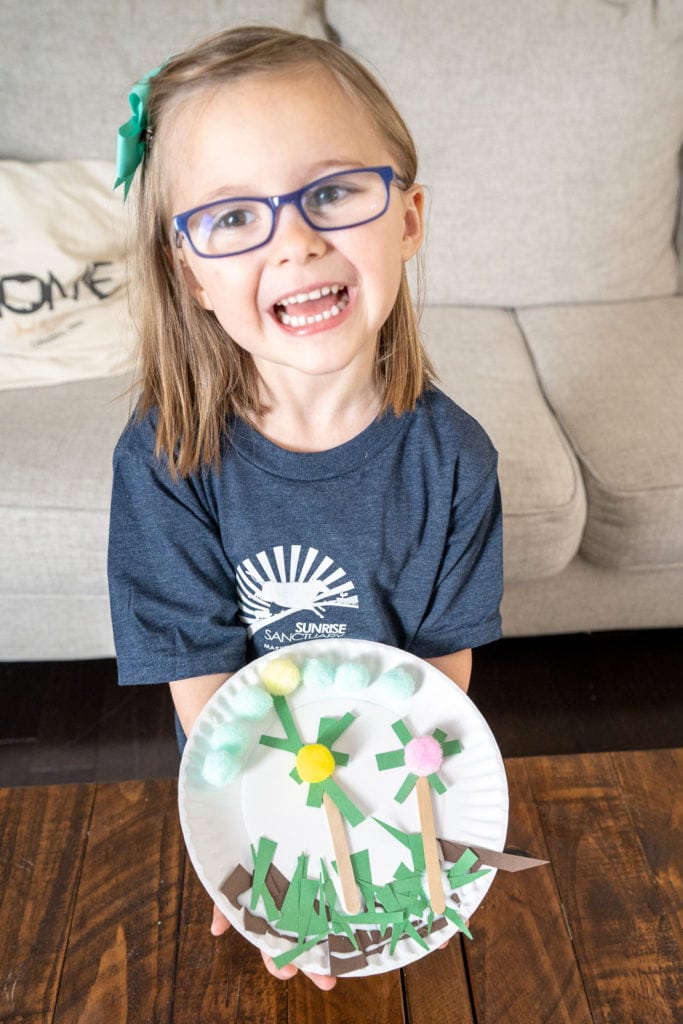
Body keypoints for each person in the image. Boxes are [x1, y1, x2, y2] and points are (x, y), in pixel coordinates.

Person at [108, 25, 503, 990]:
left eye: (330, 193)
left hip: (391, 784)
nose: (295, 239)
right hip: (245, 789)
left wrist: (391, 839)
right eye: (234, 218)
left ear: (407, 218)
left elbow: (439, 681)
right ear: (191, 274)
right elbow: (206, 698)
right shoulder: (166, 461)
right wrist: (256, 845)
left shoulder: (455, 458)